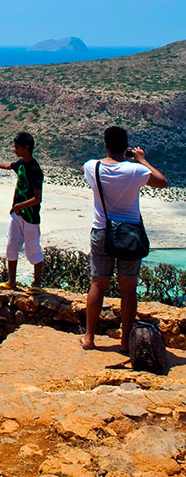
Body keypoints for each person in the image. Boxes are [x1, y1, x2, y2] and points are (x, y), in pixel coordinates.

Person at [80, 126, 167, 351]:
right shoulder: (135, 171)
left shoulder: (92, 167)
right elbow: (162, 181)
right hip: (130, 233)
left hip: (102, 231)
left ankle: (89, 337)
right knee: (128, 289)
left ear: (106, 145)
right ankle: (126, 342)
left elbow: (86, 168)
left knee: (98, 282)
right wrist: (141, 160)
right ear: (126, 146)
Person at [0, 131, 44, 291]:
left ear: (26, 148)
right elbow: (10, 166)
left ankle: (37, 283)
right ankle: (12, 282)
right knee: (11, 246)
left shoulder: (35, 170)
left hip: (30, 217)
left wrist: (20, 206)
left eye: (16, 147)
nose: (14, 149)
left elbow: (37, 198)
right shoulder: (21, 164)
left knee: (33, 248)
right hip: (16, 215)